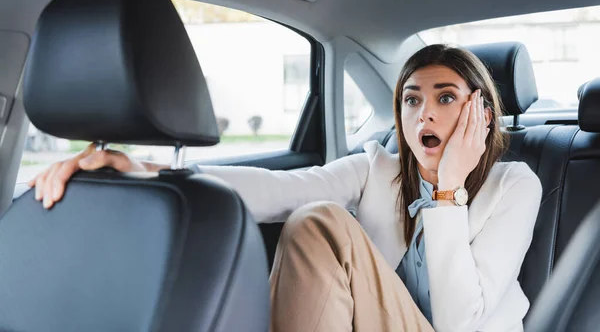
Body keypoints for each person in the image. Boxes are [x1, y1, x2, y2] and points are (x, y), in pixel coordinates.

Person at [29, 44, 542, 332]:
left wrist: (449, 189)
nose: (423, 112)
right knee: (311, 215)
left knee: (322, 222)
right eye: (410, 100)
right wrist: (140, 169)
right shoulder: (376, 168)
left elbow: (457, 324)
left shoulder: (515, 185)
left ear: (481, 112)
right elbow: (275, 190)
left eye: (445, 98)